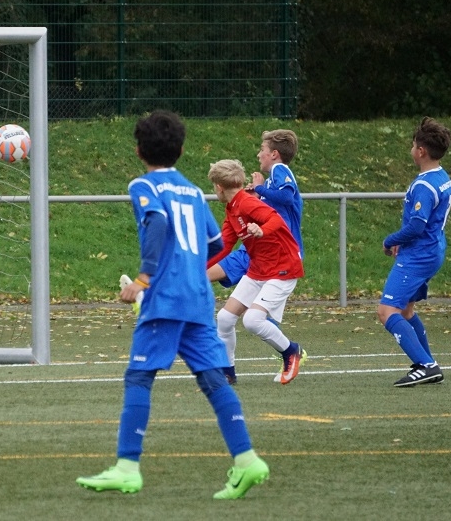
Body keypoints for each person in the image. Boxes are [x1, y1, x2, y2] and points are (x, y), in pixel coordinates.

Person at [76, 110, 268, 499]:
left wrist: (145, 278)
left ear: (138, 151)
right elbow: (215, 244)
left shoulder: (142, 185)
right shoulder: (194, 192)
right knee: (213, 378)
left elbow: (158, 222)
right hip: (197, 297)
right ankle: (247, 460)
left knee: (139, 377)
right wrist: (187, 268)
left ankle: (127, 468)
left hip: (164, 299)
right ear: (180, 150)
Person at [207, 130, 305, 384]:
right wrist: (197, 267)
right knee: (225, 318)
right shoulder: (233, 208)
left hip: (283, 265)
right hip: (259, 267)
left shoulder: (249, 201)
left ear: (219, 187)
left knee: (252, 320)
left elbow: (275, 219)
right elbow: (224, 246)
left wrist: (262, 230)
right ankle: (227, 373)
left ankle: (291, 351)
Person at [377, 117, 451, 387]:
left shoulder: (424, 186)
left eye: (413, 145)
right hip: (432, 250)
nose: (411, 149)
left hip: (419, 255)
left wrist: (391, 240)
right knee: (406, 310)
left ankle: (426, 365)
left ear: (421, 151)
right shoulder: (442, 177)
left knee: (387, 311)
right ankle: (427, 362)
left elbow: (417, 225)